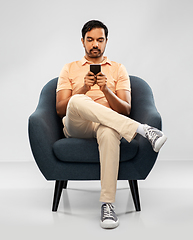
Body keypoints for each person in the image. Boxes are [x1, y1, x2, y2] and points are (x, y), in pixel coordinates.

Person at [56, 20, 167, 229]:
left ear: (106, 41)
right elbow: (61, 108)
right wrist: (82, 89)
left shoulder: (118, 69)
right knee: (78, 100)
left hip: (106, 124)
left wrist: (106, 89)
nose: (95, 44)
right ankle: (141, 129)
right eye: (90, 40)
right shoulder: (69, 68)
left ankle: (107, 205)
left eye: (99, 40)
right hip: (77, 125)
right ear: (82, 42)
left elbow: (125, 109)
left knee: (109, 131)